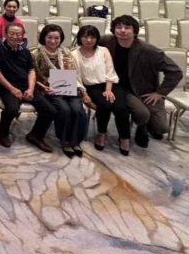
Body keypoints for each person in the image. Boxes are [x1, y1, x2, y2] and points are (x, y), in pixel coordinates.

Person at [101, 15, 183, 148]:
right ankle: (142, 128)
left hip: (145, 90)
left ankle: (145, 125)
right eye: (118, 27)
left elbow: (175, 72)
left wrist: (160, 93)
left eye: (127, 28)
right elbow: (88, 42)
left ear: (135, 31)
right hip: (121, 88)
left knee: (161, 128)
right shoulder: (107, 41)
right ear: (113, 30)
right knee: (142, 114)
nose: (122, 30)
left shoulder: (149, 50)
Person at [0, 23, 55, 152]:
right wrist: (12, 89)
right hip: (7, 87)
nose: (15, 36)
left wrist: (30, 89)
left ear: (22, 36)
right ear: (5, 34)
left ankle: (35, 136)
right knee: (12, 109)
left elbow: (31, 71)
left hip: (26, 86)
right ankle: (3, 133)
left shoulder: (25, 51)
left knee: (50, 110)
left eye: (18, 34)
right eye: (12, 33)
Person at [33, 24, 90, 158]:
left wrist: (83, 92)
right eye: (49, 37)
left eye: (56, 38)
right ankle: (65, 141)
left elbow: (75, 74)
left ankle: (75, 141)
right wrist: (43, 87)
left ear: (61, 39)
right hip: (50, 90)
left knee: (78, 110)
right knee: (64, 110)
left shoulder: (66, 53)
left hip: (69, 87)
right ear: (44, 37)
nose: (53, 41)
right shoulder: (36, 54)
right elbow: (33, 76)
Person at [72, 25, 130, 155]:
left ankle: (124, 137)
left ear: (97, 38)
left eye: (92, 37)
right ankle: (101, 133)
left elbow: (110, 70)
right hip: (92, 87)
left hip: (111, 84)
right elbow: (76, 77)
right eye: (85, 37)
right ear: (80, 38)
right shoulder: (74, 54)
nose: (89, 40)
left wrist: (108, 90)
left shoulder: (103, 51)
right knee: (105, 105)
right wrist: (84, 94)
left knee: (121, 107)